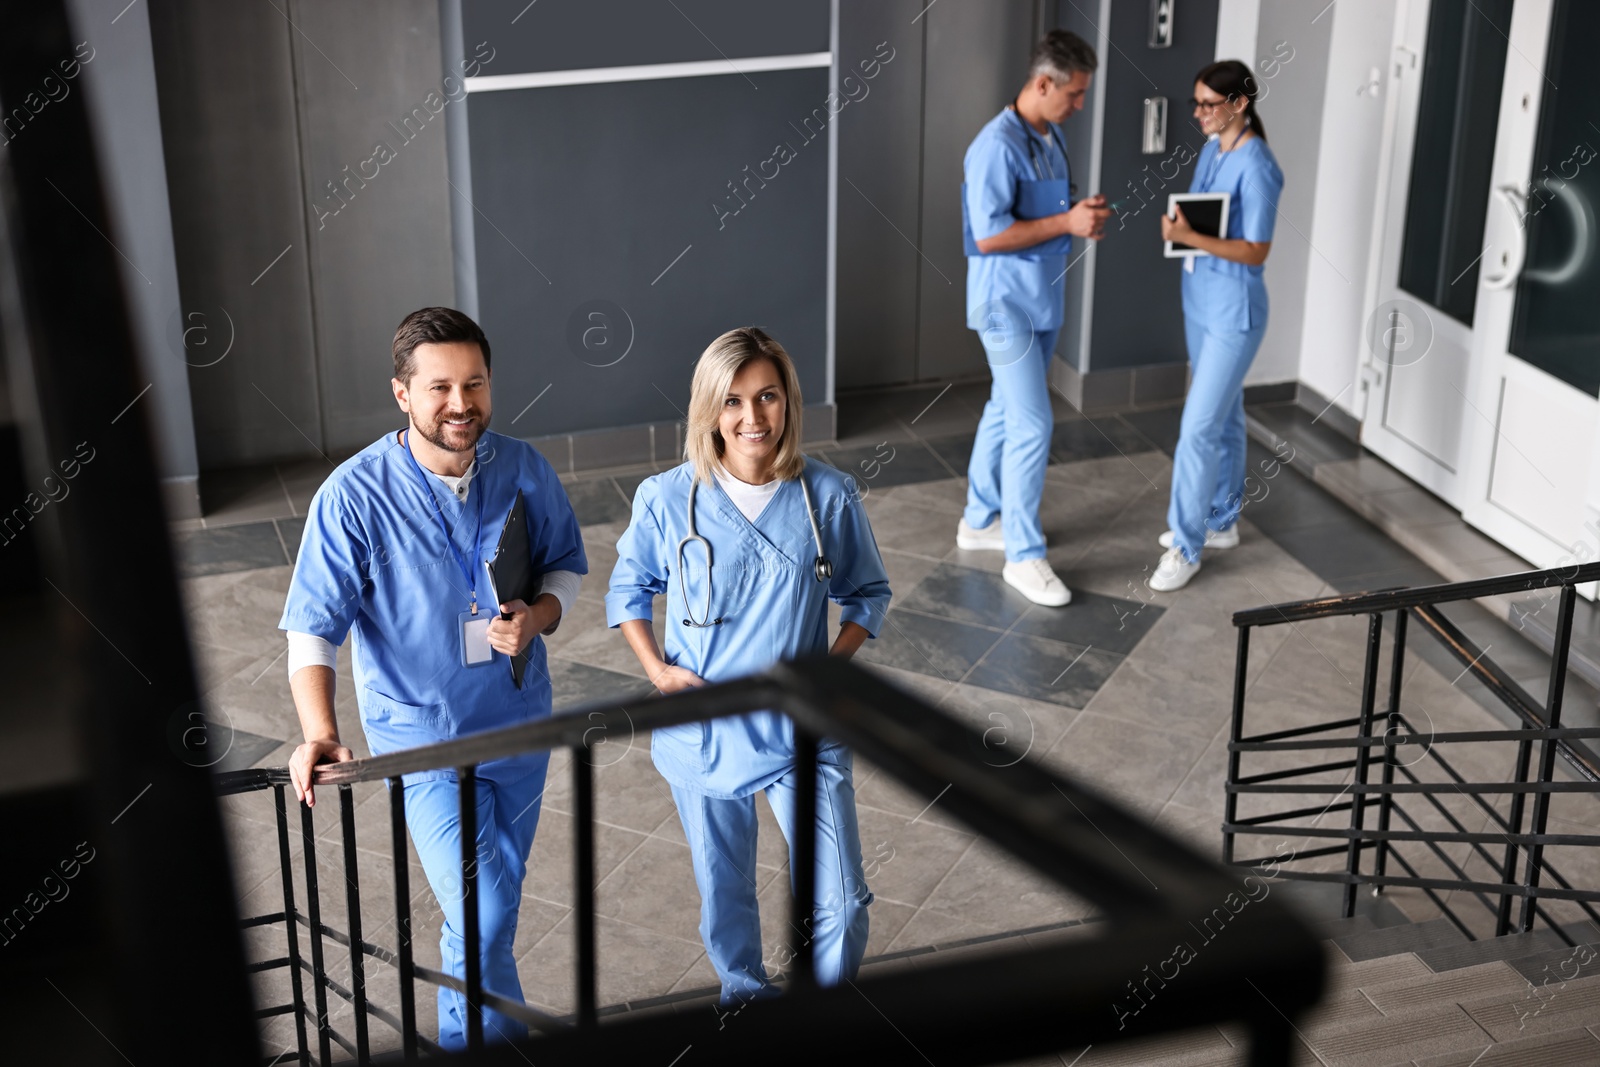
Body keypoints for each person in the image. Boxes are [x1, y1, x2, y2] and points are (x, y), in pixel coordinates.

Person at [279, 307, 586, 1049]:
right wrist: (321, 731)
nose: (461, 404)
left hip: (519, 725)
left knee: (491, 909)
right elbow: (312, 627)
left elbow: (566, 565)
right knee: (480, 911)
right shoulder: (353, 496)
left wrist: (538, 617)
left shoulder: (522, 466)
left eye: (474, 383)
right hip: (424, 742)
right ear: (402, 394)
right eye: (440, 386)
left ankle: (466, 1039)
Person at [606, 327, 891, 1006]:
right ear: (709, 409)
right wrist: (658, 670)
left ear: (789, 402)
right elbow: (628, 588)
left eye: (767, 396)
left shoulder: (829, 495)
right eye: (732, 400)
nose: (752, 417)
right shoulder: (667, 497)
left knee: (843, 901)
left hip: (802, 730)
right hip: (707, 729)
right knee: (726, 893)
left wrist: (828, 663)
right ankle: (745, 998)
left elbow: (867, 595)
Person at [957, 29, 1111, 608]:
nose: (1079, 106)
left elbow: (1051, 211)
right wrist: (1068, 224)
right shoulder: (994, 146)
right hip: (1005, 306)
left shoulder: (1049, 137)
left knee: (1005, 409)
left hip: (1042, 300)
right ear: (1042, 83)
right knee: (1034, 423)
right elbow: (991, 234)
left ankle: (978, 520)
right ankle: (1023, 555)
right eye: (1073, 95)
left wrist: (1080, 217)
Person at [1149, 60, 1285, 592]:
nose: (1201, 113)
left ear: (1239, 104)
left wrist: (1191, 238)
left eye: (1210, 104)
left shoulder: (1259, 166)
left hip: (1234, 312)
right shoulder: (1212, 150)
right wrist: (1176, 230)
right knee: (1226, 419)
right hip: (1199, 301)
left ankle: (1186, 546)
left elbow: (1255, 251)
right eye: (1197, 103)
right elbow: (1200, 216)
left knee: (1198, 429)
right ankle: (1223, 521)